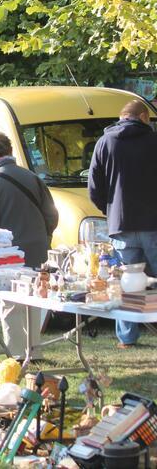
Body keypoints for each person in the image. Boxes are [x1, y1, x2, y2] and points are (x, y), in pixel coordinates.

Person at [0, 132, 59, 360]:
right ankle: (35, 351)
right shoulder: (33, 177)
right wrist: (44, 237)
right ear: (10, 151)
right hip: (38, 249)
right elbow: (52, 216)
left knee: (10, 303)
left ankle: (17, 355)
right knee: (33, 301)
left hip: (8, 256)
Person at [89, 99, 157, 348]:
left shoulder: (105, 142)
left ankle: (127, 337)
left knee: (126, 283)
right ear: (143, 117)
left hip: (121, 224)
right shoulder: (154, 141)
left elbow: (94, 188)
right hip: (154, 223)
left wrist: (110, 210)